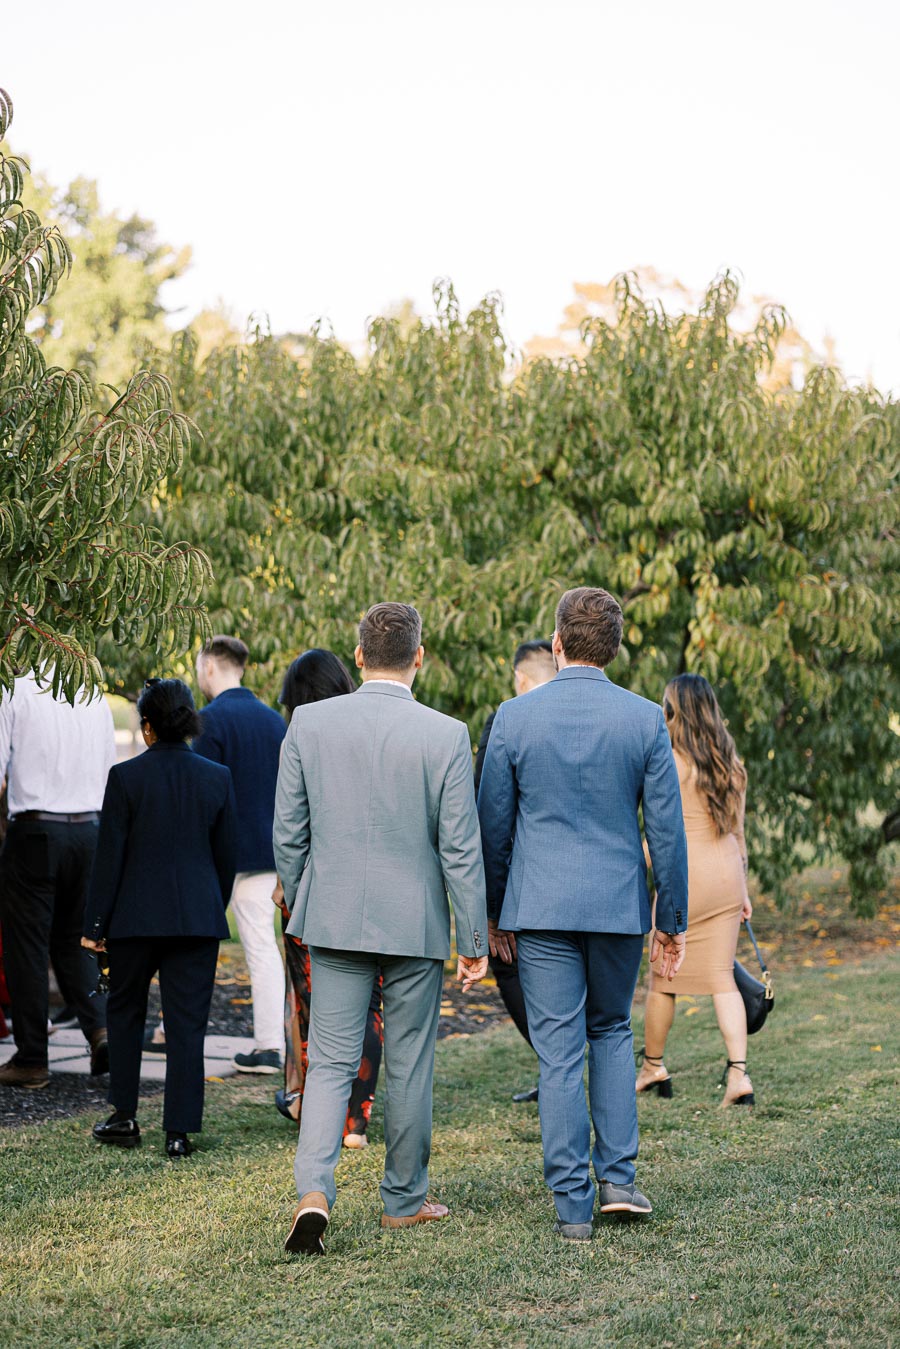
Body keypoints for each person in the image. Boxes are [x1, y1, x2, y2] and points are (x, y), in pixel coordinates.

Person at [275, 602, 488, 1256]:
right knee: (409, 1061)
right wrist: (473, 939)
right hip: (414, 920)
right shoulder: (447, 734)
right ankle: (402, 1199)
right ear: (418, 657)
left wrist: (305, 890)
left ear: (360, 654)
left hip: (333, 915)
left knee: (329, 1059)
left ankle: (314, 1190)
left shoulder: (308, 723)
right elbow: (460, 849)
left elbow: (288, 832)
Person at [478, 586, 689, 1239]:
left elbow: (493, 829)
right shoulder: (645, 718)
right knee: (612, 1032)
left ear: (558, 643)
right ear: (616, 647)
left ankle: (573, 1205)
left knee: (559, 1051)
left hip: (539, 907)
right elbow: (668, 830)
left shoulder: (513, 718)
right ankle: (618, 1179)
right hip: (616, 904)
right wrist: (672, 918)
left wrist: (491, 913)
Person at [82, 679, 237, 1157]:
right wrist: (212, 903)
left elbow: (109, 858)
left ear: (147, 726)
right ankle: (178, 1132)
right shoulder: (217, 777)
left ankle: (124, 1116)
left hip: (133, 919)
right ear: (188, 721)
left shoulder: (125, 778)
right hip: (196, 917)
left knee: (125, 1013)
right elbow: (225, 859)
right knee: (188, 1024)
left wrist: (94, 929)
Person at [275, 648, 384, 1148]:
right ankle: (356, 1121)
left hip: (316, 893)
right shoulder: (375, 733)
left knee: (315, 1008)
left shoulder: (302, 736)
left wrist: (289, 886)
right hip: (375, 888)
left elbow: (291, 828)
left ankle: (314, 1109)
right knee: (369, 1006)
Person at [635, 673, 754, 1107]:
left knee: (664, 979)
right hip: (727, 876)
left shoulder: (670, 760)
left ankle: (653, 1066)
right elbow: (737, 832)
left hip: (687, 877)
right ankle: (739, 1076)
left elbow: (664, 831)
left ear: (675, 712)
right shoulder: (729, 761)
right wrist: (743, 890)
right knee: (723, 979)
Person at [0, 669, 115, 1089]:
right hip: (88, 828)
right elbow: (108, 773)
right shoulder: (91, 691)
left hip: (35, 829)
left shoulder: (14, 689)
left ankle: (32, 1058)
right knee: (74, 939)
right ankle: (101, 1029)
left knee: (25, 945)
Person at [193, 636, 286, 1074]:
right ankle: (270, 1043)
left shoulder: (207, 721)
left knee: (193, 944)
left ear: (210, 667)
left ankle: (181, 1032)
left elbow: (203, 795)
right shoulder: (273, 721)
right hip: (269, 850)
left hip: (223, 853)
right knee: (263, 945)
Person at [474, 639, 556, 1103]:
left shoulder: (505, 719)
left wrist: (491, 904)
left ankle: (556, 1063)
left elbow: (491, 812)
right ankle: (556, 1067)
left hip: (522, 885)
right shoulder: (583, 712)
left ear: (520, 679)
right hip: (584, 885)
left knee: (510, 970)